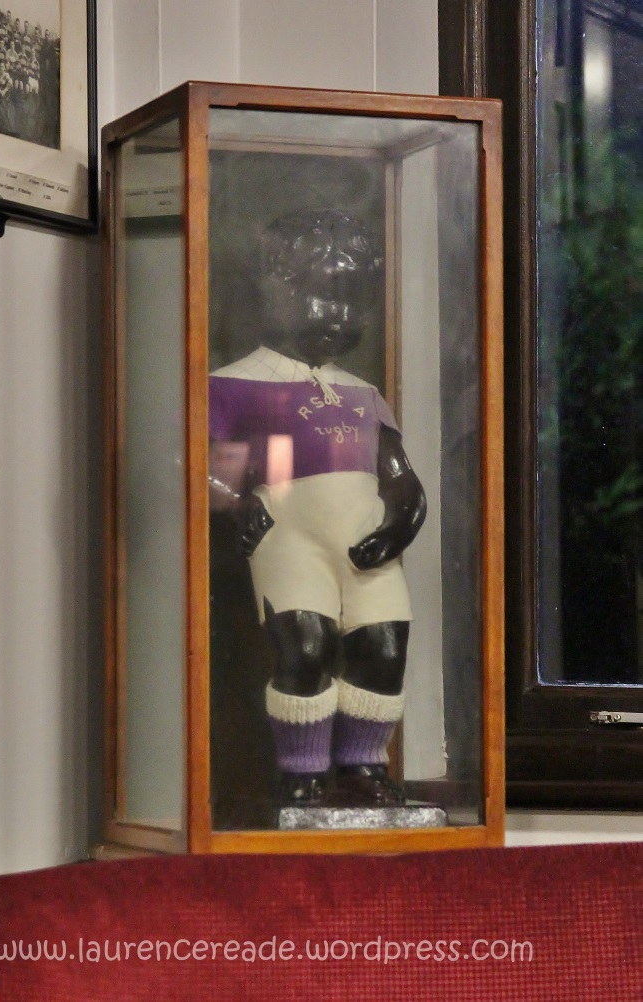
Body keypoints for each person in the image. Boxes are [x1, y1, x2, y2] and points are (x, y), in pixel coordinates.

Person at [209, 209, 426, 808]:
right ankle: (300, 771)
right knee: (303, 648)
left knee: (383, 650)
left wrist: (401, 521)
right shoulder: (233, 385)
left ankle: (363, 766)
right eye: (322, 293)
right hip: (290, 538)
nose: (339, 315)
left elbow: (399, 475)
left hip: (365, 544)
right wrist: (233, 503)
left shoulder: (363, 393)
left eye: (353, 299)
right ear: (271, 286)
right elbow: (213, 467)